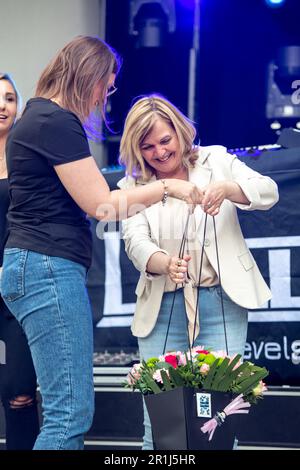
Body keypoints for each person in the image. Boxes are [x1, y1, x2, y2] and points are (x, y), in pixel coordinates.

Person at [0, 38, 202, 450]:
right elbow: (102, 206)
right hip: (48, 268)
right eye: (106, 87)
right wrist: (166, 188)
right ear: (88, 76)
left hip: (34, 265)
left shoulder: (35, 118)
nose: (103, 98)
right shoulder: (55, 122)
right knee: (69, 414)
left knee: (64, 409)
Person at [118, 94, 279, 450]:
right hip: (162, 307)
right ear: (136, 149)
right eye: (148, 147)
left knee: (219, 421)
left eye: (165, 140)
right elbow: (135, 242)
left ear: (179, 131)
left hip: (223, 300)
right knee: (159, 425)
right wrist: (164, 263)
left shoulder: (216, 160)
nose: (159, 152)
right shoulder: (131, 188)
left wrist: (228, 189)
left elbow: (268, 191)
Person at [0, 72, 39, 449]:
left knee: (20, 393)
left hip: (18, 288)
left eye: (10, 98)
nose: (2, 105)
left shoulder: (29, 157)